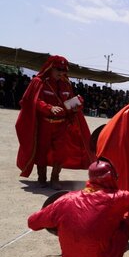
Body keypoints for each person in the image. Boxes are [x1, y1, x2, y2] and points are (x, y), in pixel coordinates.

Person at [15, 55, 93, 189]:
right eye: (58, 69)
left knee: (60, 153)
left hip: (62, 124)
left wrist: (75, 106)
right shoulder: (39, 82)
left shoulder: (66, 84)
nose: (61, 72)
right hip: (44, 124)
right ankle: (42, 178)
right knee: (41, 151)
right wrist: (49, 108)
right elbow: (33, 101)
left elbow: (68, 102)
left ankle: (55, 178)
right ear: (50, 68)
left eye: (64, 70)